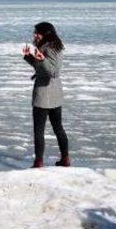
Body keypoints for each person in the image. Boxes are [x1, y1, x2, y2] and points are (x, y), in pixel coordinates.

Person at [23, 22, 70, 168]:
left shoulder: (49, 48)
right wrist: (29, 57)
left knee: (39, 130)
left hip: (44, 93)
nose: (34, 35)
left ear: (45, 33)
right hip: (55, 93)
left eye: (36, 33)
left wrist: (40, 58)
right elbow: (42, 68)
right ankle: (65, 158)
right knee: (58, 127)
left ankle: (38, 162)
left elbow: (53, 72)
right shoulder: (53, 45)